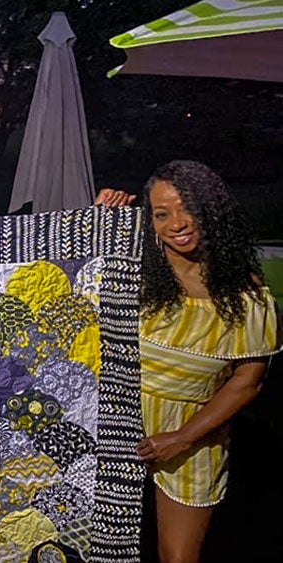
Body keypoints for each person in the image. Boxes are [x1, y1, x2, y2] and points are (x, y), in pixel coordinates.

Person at [97, 161, 280, 563]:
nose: (177, 223)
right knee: (89, 547)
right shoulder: (128, 269)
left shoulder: (243, 290)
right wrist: (98, 223)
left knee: (178, 558)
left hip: (194, 433)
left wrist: (181, 437)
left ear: (211, 210)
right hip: (112, 421)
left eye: (188, 208)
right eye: (162, 214)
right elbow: (60, 281)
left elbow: (248, 380)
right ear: (150, 221)